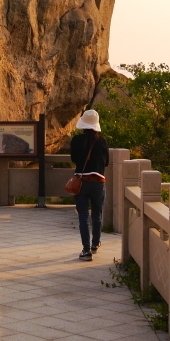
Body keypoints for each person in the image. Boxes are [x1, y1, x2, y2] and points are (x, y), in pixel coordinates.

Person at [70, 109, 109, 261]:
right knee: (97, 215)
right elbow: (106, 162)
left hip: (82, 183)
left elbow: (74, 159)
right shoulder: (102, 141)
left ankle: (86, 251)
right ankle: (95, 243)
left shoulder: (76, 140)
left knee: (83, 216)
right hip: (98, 183)